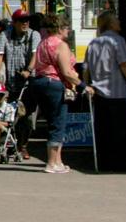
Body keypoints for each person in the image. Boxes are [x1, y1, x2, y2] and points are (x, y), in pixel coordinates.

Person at [84, 10, 126, 170]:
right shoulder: (117, 40)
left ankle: (104, 161)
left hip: (98, 92)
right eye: (116, 19)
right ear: (110, 23)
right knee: (119, 130)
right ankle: (118, 163)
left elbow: (85, 69)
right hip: (116, 92)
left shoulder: (93, 43)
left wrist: (87, 85)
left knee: (103, 130)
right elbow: (124, 64)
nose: (119, 22)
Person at [29, 13, 80, 174]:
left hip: (40, 83)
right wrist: (83, 85)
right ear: (59, 28)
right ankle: (51, 162)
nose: (68, 31)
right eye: (66, 28)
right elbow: (66, 71)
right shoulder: (60, 45)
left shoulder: (43, 43)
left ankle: (58, 161)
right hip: (54, 84)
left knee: (52, 121)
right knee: (58, 122)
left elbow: (36, 64)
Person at [0, 8, 40, 157]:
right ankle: (7, 143)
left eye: (27, 20)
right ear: (14, 22)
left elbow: (35, 54)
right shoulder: (5, 35)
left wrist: (29, 69)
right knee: (7, 114)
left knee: (26, 117)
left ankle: (23, 145)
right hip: (10, 82)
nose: (25, 23)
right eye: (22, 20)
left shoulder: (34, 35)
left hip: (27, 83)